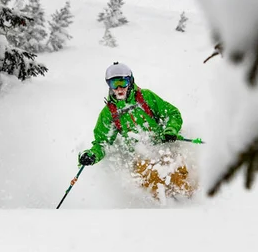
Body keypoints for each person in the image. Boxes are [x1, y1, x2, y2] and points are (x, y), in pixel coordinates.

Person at [78, 62, 195, 200]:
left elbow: (172, 113)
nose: (119, 88)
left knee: (176, 171)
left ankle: (192, 203)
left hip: (163, 146)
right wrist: (92, 155)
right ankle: (164, 210)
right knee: (153, 177)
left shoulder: (145, 97)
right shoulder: (110, 112)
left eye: (123, 82)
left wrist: (170, 130)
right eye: (114, 84)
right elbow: (102, 143)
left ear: (130, 81)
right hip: (139, 155)